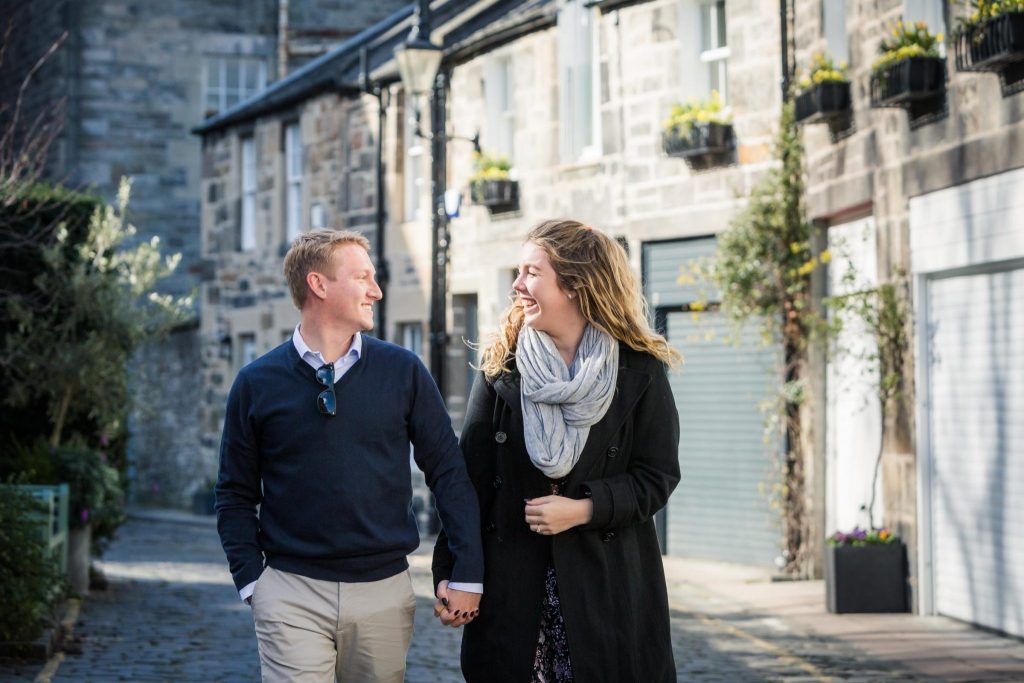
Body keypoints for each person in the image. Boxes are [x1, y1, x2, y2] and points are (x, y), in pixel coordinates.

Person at [216, 229, 483, 683]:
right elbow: (234, 493)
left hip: (383, 592)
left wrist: (469, 573)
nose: (376, 291)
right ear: (319, 285)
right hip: (290, 593)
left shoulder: (404, 371)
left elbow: (449, 473)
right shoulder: (256, 382)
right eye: (363, 278)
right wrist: (253, 583)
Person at [432, 219, 682, 683]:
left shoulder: (639, 370)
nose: (517, 285)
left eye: (531, 272)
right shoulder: (503, 367)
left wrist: (585, 508)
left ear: (574, 284)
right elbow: (467, 484)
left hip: (606, 590)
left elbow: (657, 476)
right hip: (515, 592)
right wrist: (453, 574)